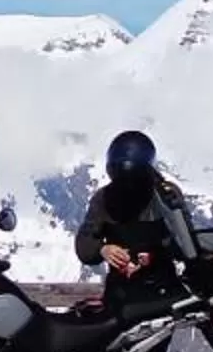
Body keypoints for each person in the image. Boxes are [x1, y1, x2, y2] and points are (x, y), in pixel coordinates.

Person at [75, 129, 199, 317]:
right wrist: (102, 249)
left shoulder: (166, 196)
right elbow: (84, 244)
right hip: (122, 296)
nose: (128, 187)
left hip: (162, 296)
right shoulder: (103, 199)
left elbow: (187, 245)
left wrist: (162, 246)